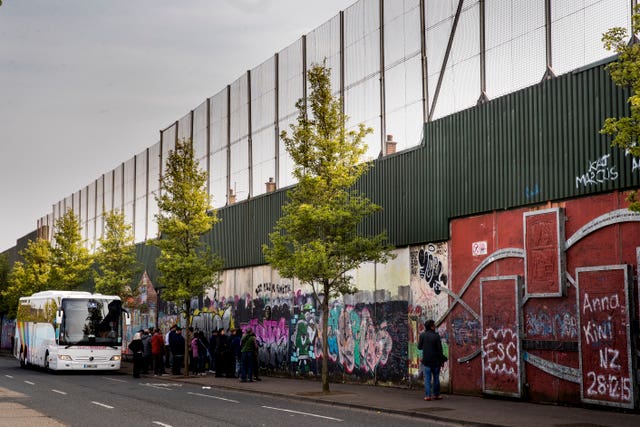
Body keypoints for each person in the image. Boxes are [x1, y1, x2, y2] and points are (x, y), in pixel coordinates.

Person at [417, 319, 446, 401]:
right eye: (434, 325)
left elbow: (419, 347)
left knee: (427, 379)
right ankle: (436, 395)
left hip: (426, 361)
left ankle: (427, 396)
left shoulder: (422, 335)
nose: (435, 327)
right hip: (436, 361)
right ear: (431, 327)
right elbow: (440, 350)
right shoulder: (436, 336)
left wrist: (425, 346)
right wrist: (442, 361)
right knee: (436, 378)